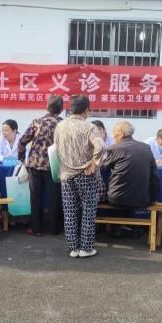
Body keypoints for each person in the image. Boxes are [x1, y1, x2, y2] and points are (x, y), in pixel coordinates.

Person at [54, 95, 105, 258]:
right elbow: (101, 146)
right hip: (85, 174)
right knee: (88, 211)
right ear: (87, 110)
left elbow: (55, 148)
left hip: (66, 174)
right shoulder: (89, 127)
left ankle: (73, 248)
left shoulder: (60, 126)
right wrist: (94, 163)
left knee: (69, 212)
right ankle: (86, 248)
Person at [17, 95, 64, 237]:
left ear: (47, 107)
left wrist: (22, 159)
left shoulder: (37, 122)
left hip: (35, 164)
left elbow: (22, 141)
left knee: (35, 197)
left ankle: (36, 229)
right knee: (54, 198)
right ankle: (54, 229)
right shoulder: (62, 124)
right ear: (61, 109)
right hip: (54, 166)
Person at [102, 120, 159, 208]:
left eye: (115, 135)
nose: (114, 138)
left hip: (117, 199)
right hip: (142, 200)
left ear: (121, 133)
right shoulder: (146, 147)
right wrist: (154, 198)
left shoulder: (114, 148)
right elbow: (155, 177)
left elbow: (104, 167)